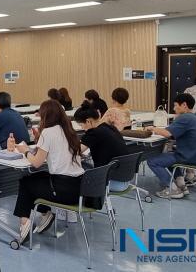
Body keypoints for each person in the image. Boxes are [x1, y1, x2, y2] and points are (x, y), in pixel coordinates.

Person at [9, 100, 84, 241]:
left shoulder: (48, 132)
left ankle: (25, 222)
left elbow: (36, 163)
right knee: (36, 179)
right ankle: (44, 214)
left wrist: (25, 151)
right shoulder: (69, 130)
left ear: (45, 116)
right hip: (78, 189)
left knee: (26, 183)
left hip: (62, 191)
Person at [146, 93, 196, 199]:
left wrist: (152, 128)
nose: (174, 108)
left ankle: (173, 189)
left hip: (191, 156)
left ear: (184, 105)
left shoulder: (185, 118)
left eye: (176, 105)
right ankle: (181, 184)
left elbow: (167, 133)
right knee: (169, 155)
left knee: (153, 161)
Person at [74, 101, 130, 191]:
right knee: (85, 164)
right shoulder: (110, 128)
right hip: (125, 179)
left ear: (88, 121)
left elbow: (75, 152)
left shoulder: (94, 133)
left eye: (81, 125)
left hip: (113, 182)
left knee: (75, 170)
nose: (81, 128)